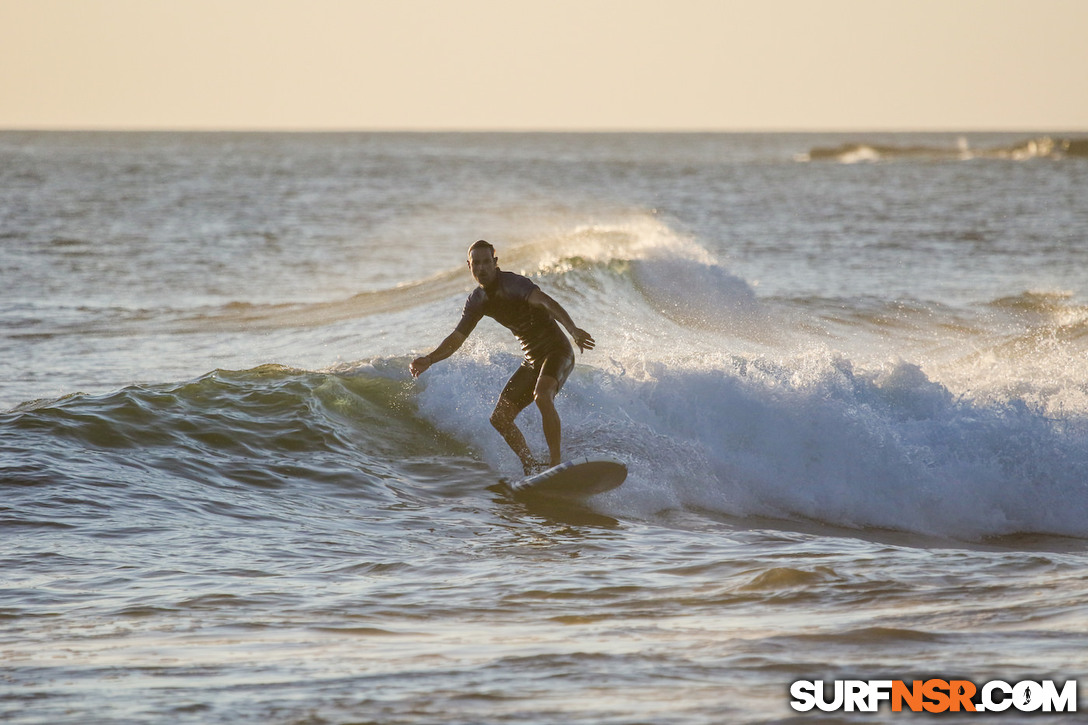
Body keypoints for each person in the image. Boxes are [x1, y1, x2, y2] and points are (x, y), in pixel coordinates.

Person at [410, 240, 595, 475]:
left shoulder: (514, 284)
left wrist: (573, 330)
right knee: (500, 418)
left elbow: (547, 303)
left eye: (486, 262)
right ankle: (530, 466)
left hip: (557, 350)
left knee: (542, 396)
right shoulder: (477, 301)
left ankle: (555, 463)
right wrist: (430, 359)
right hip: (532, 360)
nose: (481, 268)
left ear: (495, 263)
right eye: (476, 263)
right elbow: (457, 337)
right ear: (469, 266)